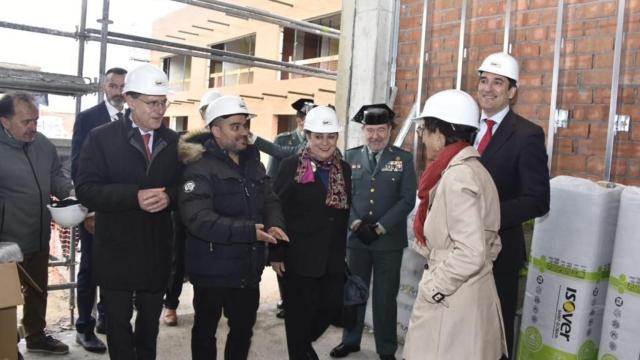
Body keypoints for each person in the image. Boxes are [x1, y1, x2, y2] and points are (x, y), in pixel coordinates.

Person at [75, 64, 180, 360]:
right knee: (118, 325)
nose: (159, 110)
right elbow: (85, 189)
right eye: (151, 103)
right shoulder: (101, 138)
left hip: (156, 248)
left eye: (163, 102)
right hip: (116, 248)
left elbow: (187, 186)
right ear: (130, 100)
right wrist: (133, 196)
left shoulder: (173, 142)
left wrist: (170, 197)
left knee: (149, 327)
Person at [179, 95, 287, 360]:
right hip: (211, 268)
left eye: (245, 125)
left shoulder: (253, 162)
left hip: (247, 268)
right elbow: (198, 219)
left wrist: (274, 224)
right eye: (235, 126)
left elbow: (270, 198)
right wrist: (249, 231)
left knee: (242, 331)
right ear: (215, 130)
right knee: (205, 331)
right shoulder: (198, 166)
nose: (244, 132)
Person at [403, 89, 506, 359]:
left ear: (439, 133)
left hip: (452, 301)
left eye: (424, 130)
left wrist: (433, 288)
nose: (423, 138)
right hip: (468, 292)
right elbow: (491, 243)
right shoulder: (474, 169)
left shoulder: (457, 177)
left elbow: (472, 252)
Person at [475, 52, 550, 358]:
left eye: (498, 82)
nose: (488, 88)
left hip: (500, 252)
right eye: (483, 80)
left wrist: (486, 217)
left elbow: (538, 199)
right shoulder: (465, 127)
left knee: (497, 331)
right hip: (462, 250)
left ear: (512, 91)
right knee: (467, 328)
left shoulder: (527, 135)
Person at [330, 104, 416, 360]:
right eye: (370, 130)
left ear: (390, 131)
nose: (375, 136)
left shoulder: (403, 159)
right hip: (356, 240)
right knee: (354, 293)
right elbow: (341, 195)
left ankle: (386, 349)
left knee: (384, 297)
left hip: (387, 242)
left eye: (381, 130)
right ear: (363, 131)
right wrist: (356, 224)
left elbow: (407, 200)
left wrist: (379, 228)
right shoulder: (349, 157)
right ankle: (351, 340)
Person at [270, 106, 352, 360]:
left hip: (332, 258)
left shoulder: (345, 170)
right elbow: (276, 210)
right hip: (297, 256)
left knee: (329, 309)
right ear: (307, 136)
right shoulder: (291, 166)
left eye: (330, 136)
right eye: (318, 136)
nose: (325, 143)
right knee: (297, 315)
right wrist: (276, 252)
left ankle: (303, 344)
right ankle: (301, 351)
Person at [0, 92, 73, 355]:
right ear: (5, 121)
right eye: (26, 121)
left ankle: (36, 335)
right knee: (4, 299)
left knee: (38, 289)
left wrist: (70, 195)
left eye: (36, 120)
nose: (33, 127)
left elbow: (55, 175)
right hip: (6, 243)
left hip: (39, 233)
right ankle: (6, 344)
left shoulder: (42, 144)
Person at [71, 66, 127, 353]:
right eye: (113, 86)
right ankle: (84, 326)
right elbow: (78, 168)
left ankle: (106, 316)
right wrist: (90, 210)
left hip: (124, 210)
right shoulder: (88, 118)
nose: (118, 92)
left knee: (116, 265)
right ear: (105, 88)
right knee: (91, 267)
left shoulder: (133, 119)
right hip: (96, 209)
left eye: (122, 86)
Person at [250, 97, 315, 319]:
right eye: (305, 119)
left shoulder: (313, 142)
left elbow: (292, 153)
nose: (307, 123)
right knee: (282, 254)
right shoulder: (283, 139)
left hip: (305, 207)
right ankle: (286, 298)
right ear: (298, 120)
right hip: (283, 204)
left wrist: (257, 140)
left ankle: (300, 298)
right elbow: (273, 169)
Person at [162, 88, 222, 327]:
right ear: (202, 113)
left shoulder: (229, 144)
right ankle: (171, 305)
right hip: (184, 212)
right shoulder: (187, 140)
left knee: (208, 261)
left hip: (214, 212)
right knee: (178, 259)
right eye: (208, 111)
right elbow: (173, 176)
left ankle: (206, 307)